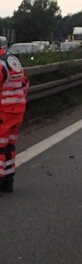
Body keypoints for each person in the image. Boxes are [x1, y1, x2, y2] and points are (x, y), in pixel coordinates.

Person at [0, 46, 29, 193]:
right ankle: (7, 181)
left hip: (3, 111)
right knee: (9, 146)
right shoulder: (12, 60)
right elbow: (25, 84)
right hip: (17, 109)